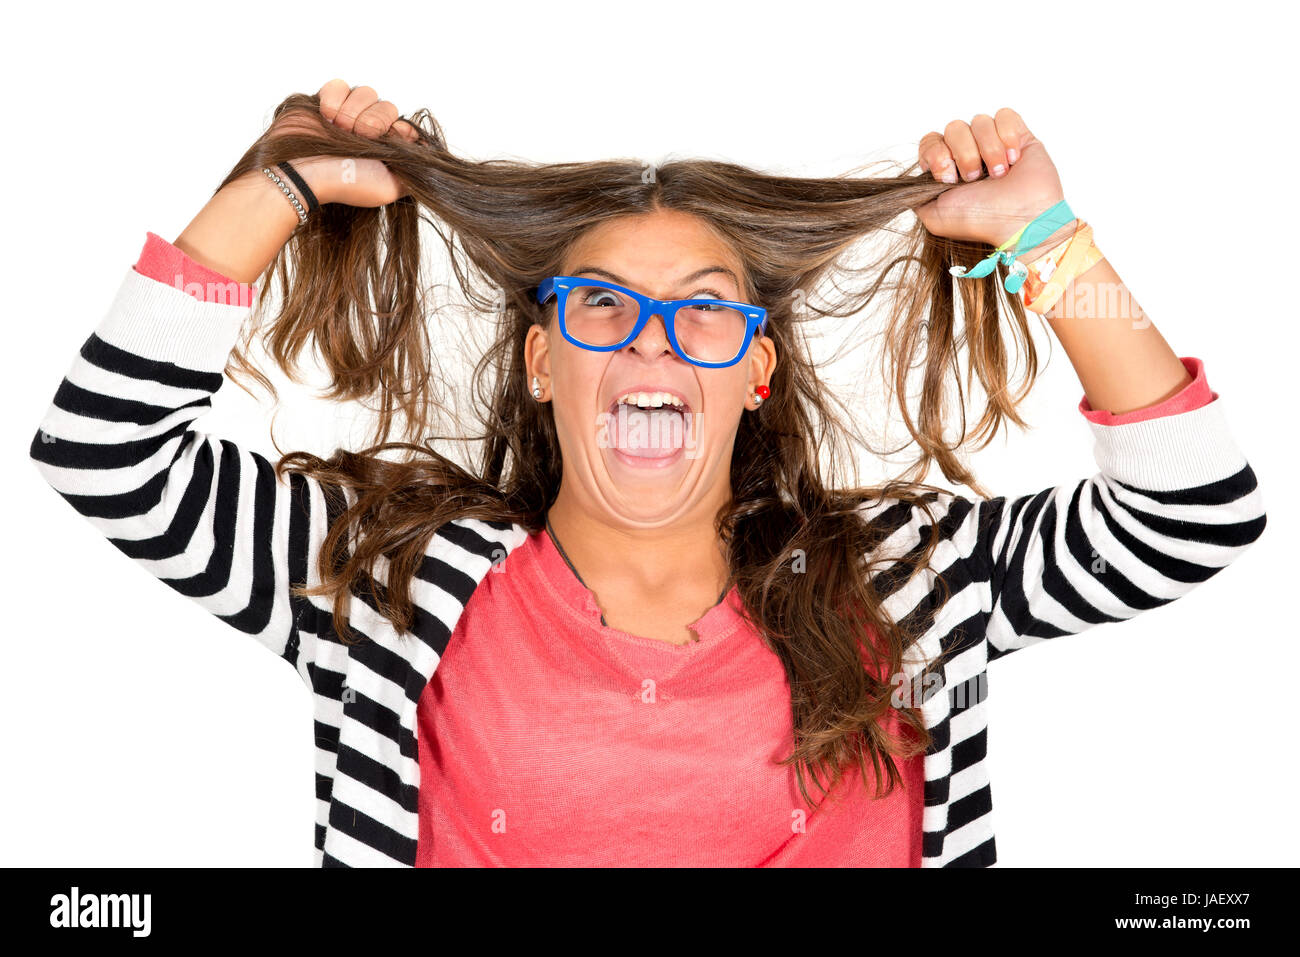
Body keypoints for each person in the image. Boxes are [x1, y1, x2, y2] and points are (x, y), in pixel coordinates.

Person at [29, 79, 1266, 867]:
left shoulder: (910, 582)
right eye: (601, 309)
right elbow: (106, 450)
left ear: (756, 371)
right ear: (538, 360)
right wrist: (279, 190)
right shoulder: (384, 584)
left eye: (703, 314)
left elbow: (1192, 513)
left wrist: (1051, 244)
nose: (651, 341)